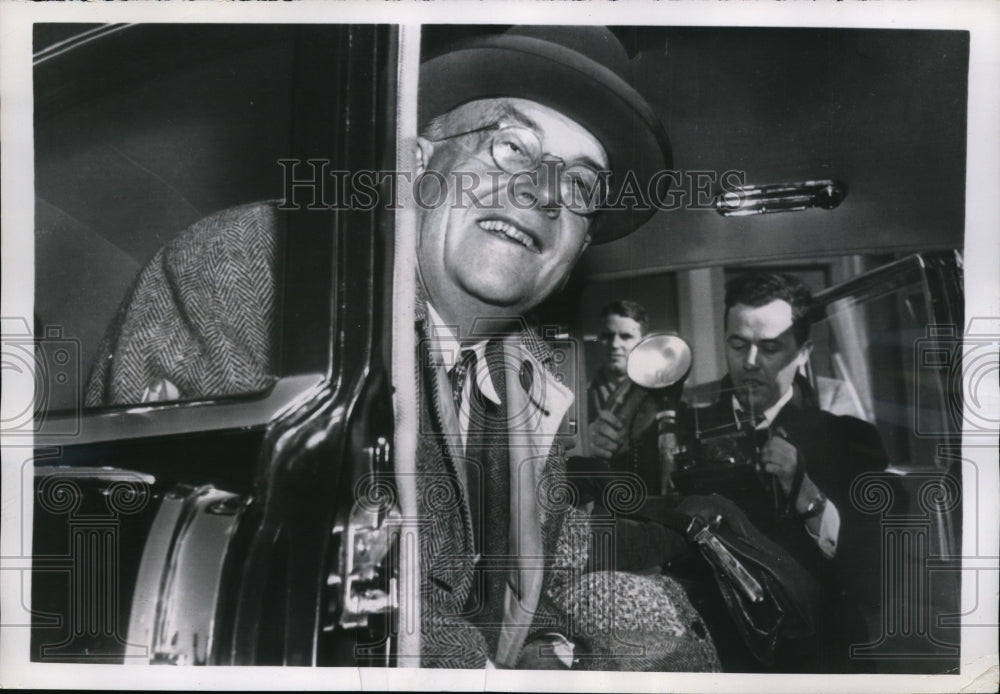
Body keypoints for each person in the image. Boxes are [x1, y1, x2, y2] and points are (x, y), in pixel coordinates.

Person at [85, 26, 708, 670]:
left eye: (580, 186)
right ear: (416, 166)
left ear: (578, 247)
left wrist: (556, 644)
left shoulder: (527, 387)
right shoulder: (274, 268)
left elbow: (519, 577)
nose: (545, 192)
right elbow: (279, 579)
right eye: (511, 146)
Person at [677, 271, 890, 672]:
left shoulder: (851, 441)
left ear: (804, 353)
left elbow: (873, 582)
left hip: (818, 657)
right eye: (737, 344)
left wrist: (806, 492)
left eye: (770, 348)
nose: (750, 363)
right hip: (718, 653)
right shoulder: (680, 428)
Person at [586, 300, 662, 492]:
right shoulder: (575, 396)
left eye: (626, 336)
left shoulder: (663, 396)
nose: (615, 344)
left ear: (644, 342)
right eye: (607, 336)